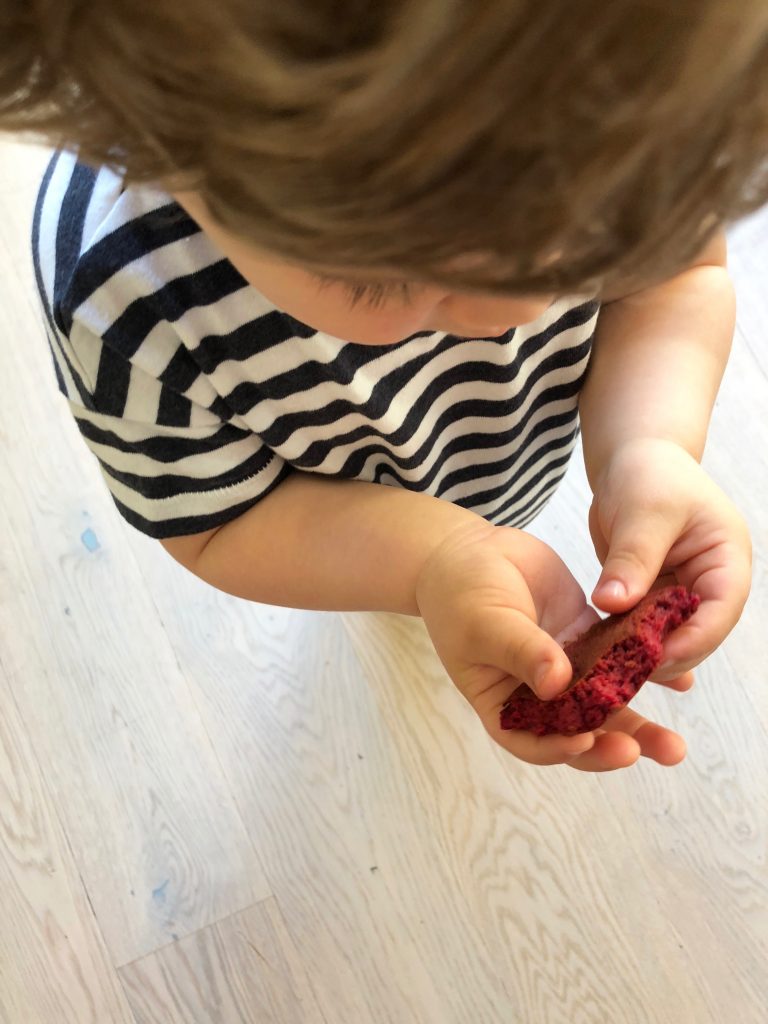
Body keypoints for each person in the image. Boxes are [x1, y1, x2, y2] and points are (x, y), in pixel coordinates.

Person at [3, 1, 764, 772]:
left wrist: (649, 445)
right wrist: (425, 564)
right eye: (389, 283)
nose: (521, 313)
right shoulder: (121, 306)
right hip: (344, 514)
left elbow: (676, 279)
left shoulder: (651, 102)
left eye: (593, 241)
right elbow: (218, 522)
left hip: (505, 452)